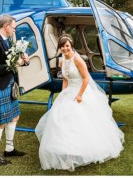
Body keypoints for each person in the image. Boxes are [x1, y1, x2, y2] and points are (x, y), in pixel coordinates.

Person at [35, 35, 124, 171]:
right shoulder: (62, 61)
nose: (65, 49)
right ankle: (65, 151)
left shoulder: (77, 59)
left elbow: (86, 79)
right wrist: (63, 92)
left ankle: (84, 151)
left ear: (71, 46)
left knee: (81, 121)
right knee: (62, 121)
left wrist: (80, 95)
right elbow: (65, 79)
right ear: (60, 48)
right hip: (69, 91)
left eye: (67, 46)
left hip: (81, 92)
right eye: (62, 46)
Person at [0, 14, 28, 165]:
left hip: (10, 84)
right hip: (0, 85)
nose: (14, 30)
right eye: (14, 27)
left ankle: (9, 149)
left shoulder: (8, 41)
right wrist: (14, 64)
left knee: (14, 117)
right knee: (0, 123)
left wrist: (23, 61)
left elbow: (13, 61)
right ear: (6, 26)